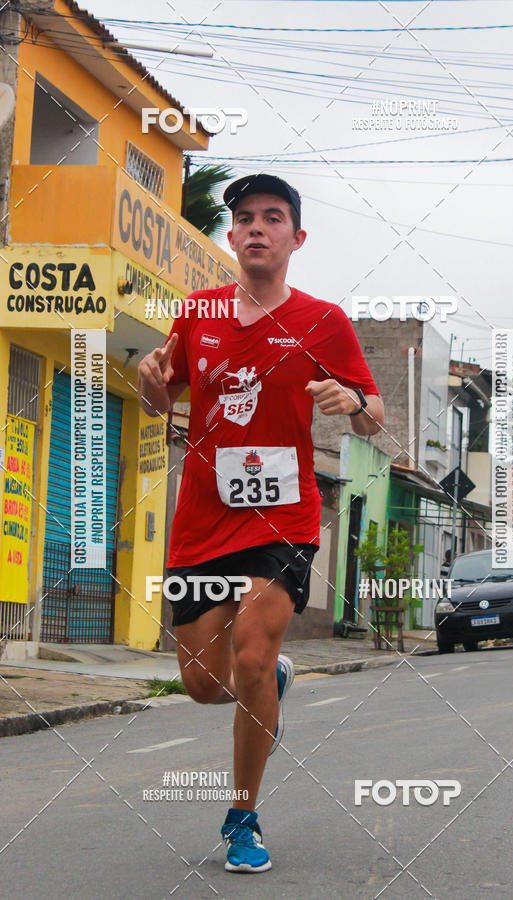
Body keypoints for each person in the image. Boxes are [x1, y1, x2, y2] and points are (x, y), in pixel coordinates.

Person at [136, 174, 384, 873]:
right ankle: (271, 679)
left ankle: (242, 815)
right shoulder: (198, 311)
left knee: (248, 652)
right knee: (204, 684)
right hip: (201, 524)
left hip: (283, 518)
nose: (256, 228)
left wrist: (351, 398)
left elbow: (373, 414)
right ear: (230, 235)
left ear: (295, 238)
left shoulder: (323, 321)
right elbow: (160, 395)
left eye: (272, 218)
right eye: (244, 217)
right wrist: (149, 383)